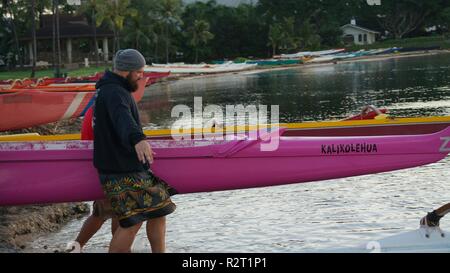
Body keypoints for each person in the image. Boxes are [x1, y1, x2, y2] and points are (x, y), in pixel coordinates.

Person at [93, 49, 176, 253]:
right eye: (139, 71)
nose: (141, 76)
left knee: (159, 210)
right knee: (132, 222)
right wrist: (138, 139)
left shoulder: (111, 89)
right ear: (127, 70)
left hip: (124, 166)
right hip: (120, 169)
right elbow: (123, 119)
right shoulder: (114, 92)